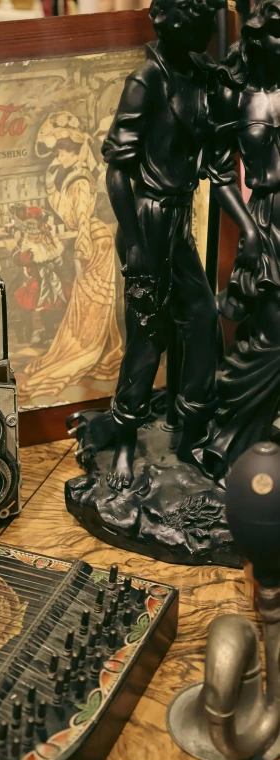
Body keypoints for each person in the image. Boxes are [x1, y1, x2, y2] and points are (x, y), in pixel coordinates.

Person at [102, 0, 261, 490]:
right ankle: (125, 443)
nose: (204, 28)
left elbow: (218, 168)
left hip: (178, 222)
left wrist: (250, 226)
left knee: (200, 321)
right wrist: (133, 244)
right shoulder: (147, 80)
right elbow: (116, 171)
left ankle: (191, 432)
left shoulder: (202, 78)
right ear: (166, 19)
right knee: (147, 339)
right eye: (193, 16)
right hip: (146, 220)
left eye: (207, 18)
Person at [202, 0, 280, 481]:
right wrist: (248, 230)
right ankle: (228, 440)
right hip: (268, 217)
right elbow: (220, 172)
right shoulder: (236, 94)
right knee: (271, 334)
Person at [20, 112, 124, 401]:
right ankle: (108, 352)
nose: (61, 156)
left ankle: (102, 353)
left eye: (66, 151)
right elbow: (67, 214)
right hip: (94, 237)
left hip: (93, 240)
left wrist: (81, 255)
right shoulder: (73, 177)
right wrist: (51, 183)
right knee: (93, 303)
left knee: (92, 302)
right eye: (59, 151)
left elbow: (81, 218)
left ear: (77, 152)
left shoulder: (80, 179)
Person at [12, 205, 69, 346]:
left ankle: (58, 331)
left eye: (38, 232)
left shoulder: (50, 242)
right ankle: (46, 331)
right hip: (38, 281)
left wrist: (59, 265)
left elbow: (59, 261)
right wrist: (22, 261)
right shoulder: (26, 245)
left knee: (59, 304)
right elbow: (18, 258)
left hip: (54, 279)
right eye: (32, 233)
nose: (35, 236)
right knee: (43, 305)